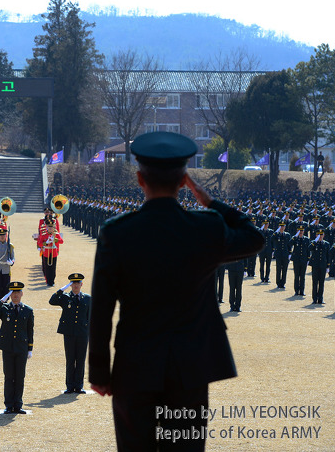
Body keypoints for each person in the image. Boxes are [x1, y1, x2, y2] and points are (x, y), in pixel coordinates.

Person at [88, 132, 264, 451]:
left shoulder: (118, 232)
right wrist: (209, 200)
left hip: (135, 366)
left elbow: (101, 307)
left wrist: (99, 370)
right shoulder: (206, 227)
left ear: (140, 179)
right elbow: (254, 237)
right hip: (190, 367)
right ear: (183, 181)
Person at [0, 281, 33, 415]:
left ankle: (18, 405)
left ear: (21, 294)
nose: (15, 295)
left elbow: (30, 330)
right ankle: (8, 405)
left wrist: (30, 348)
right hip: (8, 347)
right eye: (13, 293)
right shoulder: (4, 308)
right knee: (9, 377)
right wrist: (2, 300)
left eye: (17, 292)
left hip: (21, 348)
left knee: (20, 377)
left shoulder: (28, 310)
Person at [49, 273, 90, 393]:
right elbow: (52, 301)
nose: (76, 285)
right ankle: (69, 385)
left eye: (78, 283)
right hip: (69, 333)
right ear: (71, 285)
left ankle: (79, 385)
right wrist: (62, 290)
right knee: (70, 359)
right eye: (73, 283)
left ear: (81, 284)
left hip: (82, 333)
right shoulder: (65, 297)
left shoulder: (88, 298)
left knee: (81, 359)